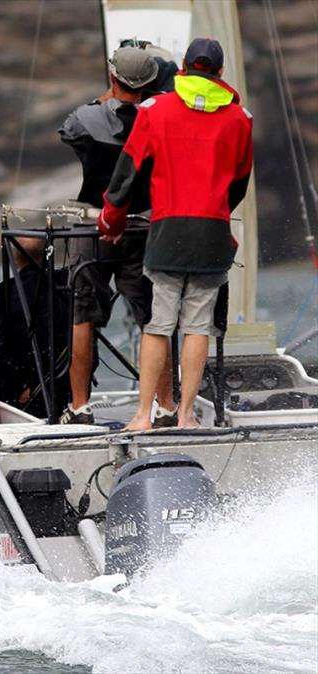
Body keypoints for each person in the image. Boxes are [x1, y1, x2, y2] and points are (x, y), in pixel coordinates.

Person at [98, 38, 254, 430]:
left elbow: (126, 174)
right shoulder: (241, 119)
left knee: (158, 325)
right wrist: (219, 214)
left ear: (183, 66)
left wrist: (110, 222)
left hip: (167, 229)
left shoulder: (155, 110)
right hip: (212, 232)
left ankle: (141, 416)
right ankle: (186, 415)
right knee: (197, 326)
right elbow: (239, 183)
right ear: (219, 72)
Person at [58, 46, 176, 426]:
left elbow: (68, 134)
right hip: (144, 225)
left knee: (83, 317)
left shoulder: (86, 117)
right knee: (153, 321)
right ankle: (166, 406)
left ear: (114, 78)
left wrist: (103, 99)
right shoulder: (159, 119)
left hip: (94, 226)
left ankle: (79, 407)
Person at [0, 237, 70, 419]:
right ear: (46, 255)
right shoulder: (68, 285)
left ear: (12, 258)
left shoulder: (2, 295)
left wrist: (18, 385)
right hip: (69, 391)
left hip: (23, 399)